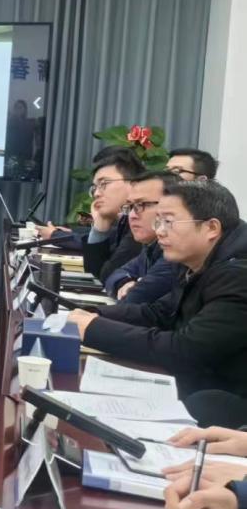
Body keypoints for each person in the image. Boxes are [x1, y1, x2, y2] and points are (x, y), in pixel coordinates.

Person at [66, 181, 247, 425]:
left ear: (211, 228)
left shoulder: (238, 275)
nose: (160, 231)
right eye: (158, 221)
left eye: (168, 222)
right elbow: (159, 313)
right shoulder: (201, 260)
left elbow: (185, 350)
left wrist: (93, 329)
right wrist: (92, 314)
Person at [37, 149, 146, 283]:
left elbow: (106, 276)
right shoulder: (124, 222)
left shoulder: (143, 225)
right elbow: (97, 275)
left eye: (104, 184)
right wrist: (100, 226)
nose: (96, 194)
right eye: (95, 187)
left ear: (134, 183)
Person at [103, 171, 181, 305]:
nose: (132, 215)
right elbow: (114, 275)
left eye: (142, 204)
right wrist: (124, 283)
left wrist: (132, 289)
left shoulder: (177, 251)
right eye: (130, 206)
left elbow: (134, 299)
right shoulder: (151, 245)